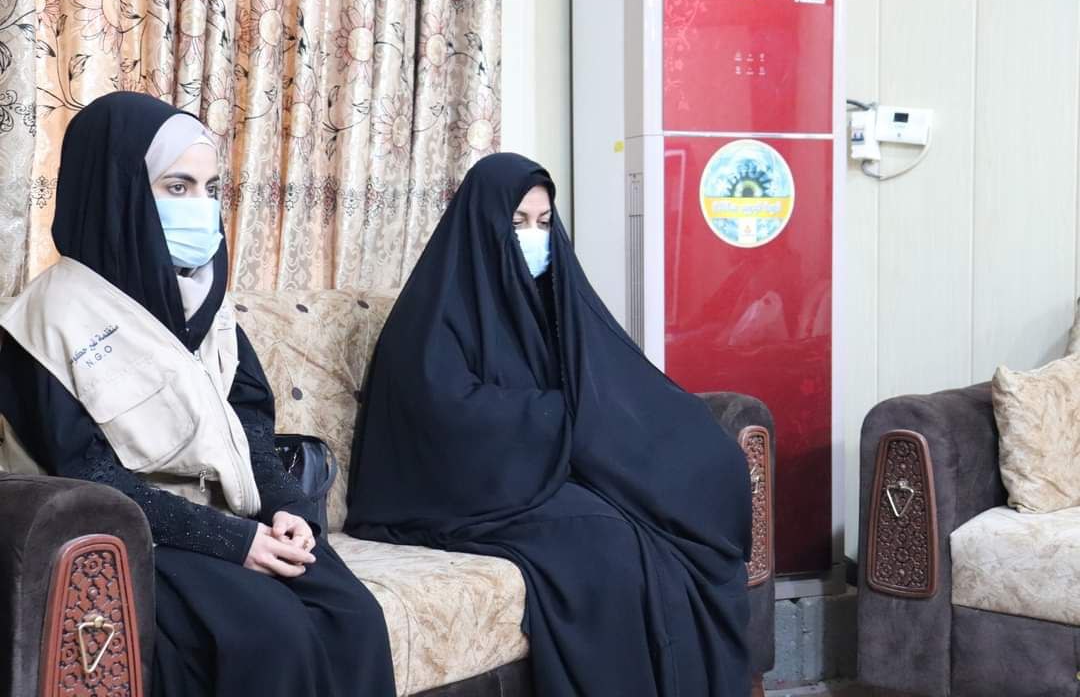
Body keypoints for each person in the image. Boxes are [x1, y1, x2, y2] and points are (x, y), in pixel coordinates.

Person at [0, 92, 396, 697]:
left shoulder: (209, 306)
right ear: (118, 192)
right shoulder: (47, 322)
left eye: (211, 189)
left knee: (354, 617)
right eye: (176, 187)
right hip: (137, 536)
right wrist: (234, 543)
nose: (201, 208)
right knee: (274, 636)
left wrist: (287, 508)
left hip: (235, 521)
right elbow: (87, 475)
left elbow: (251, 427)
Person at [345, 153, 752, 696]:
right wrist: (560, 414)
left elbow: (607, 377)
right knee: (611, 543)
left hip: (539, 472)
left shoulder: (550, 300)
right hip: (458, 491)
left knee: (673, 521)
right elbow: (447, 418)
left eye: (543, 222)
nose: (534, 237)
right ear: (483, 225)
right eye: (517, 223)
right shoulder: (429, 315)